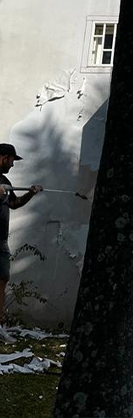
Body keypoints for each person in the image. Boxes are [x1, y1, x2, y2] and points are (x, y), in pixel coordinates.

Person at [0, 143, 43, 344]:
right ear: (3, 157)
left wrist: (31, 193)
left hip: (1, 242)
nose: (12, 165)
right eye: (11, 160)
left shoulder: (4, 181)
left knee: (1, 281)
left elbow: (14, 204)